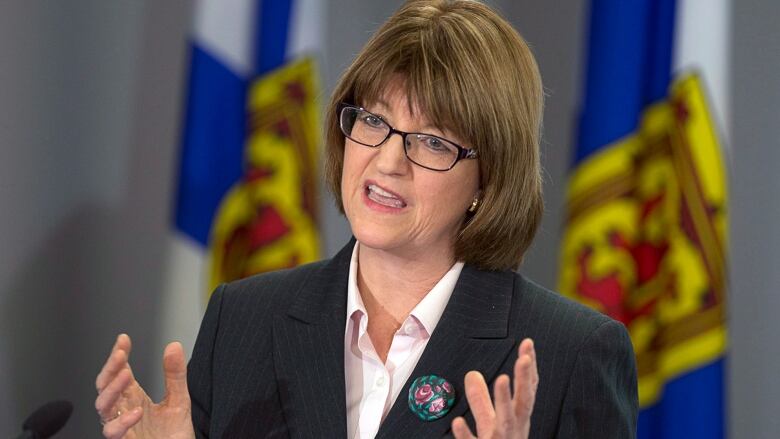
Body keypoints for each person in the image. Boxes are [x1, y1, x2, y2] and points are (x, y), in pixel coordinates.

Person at [95, 1, 638, 437]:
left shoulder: (570, 356)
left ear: (488, 178)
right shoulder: (243, 320)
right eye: (374, 120)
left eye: (430, 140)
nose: (387, 161)